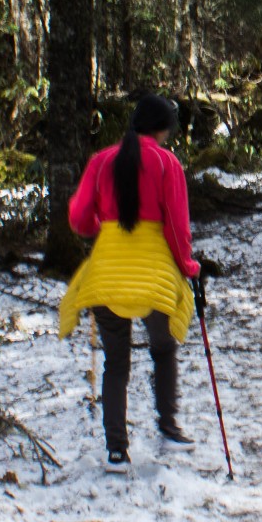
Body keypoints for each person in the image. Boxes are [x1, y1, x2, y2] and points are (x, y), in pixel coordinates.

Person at [59, 95, 200, 472]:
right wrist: (187, 266)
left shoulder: (101, 160)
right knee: (163, 348)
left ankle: (116, 450)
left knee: (116, 361)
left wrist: (97, 230)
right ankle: (169, 428)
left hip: (106, 270)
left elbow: (78, 217)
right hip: (153, 272)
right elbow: (176, 224)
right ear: (163, 127)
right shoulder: (166, 162)